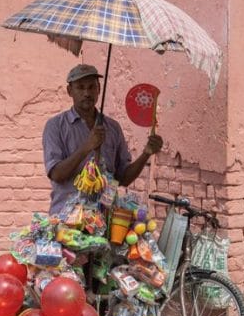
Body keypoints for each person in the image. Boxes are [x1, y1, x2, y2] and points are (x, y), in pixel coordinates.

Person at [43, 64, 163, 215]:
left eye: (92, 87)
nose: (87, 93)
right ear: (69, 91)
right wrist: (87, 146)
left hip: (105, 216)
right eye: (80, 87)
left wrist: (146, 153)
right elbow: (56, 175)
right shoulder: (55, 126)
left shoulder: (112, 128)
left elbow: (123, 178)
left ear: (99, 89)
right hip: (68, 217)